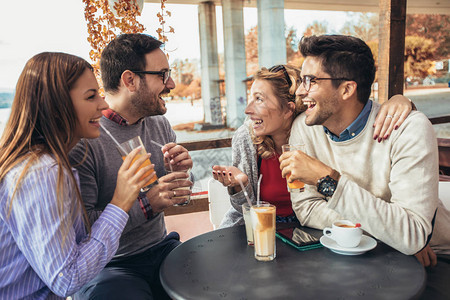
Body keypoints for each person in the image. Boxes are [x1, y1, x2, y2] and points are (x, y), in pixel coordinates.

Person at [279, 35, 450, 299]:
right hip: (352, 252)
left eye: (311, 81)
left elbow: (413, 233)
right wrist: (391, 235)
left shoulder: (407, 129)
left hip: (431, 259)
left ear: (347, 89)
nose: (300, 91)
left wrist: (329, 181)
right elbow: (308, 210)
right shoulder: (305, 128)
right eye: (302, 80)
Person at [0, 52, 153, 299]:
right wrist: (121, 202)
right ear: (55, 105)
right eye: (91, 96)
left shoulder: (51, 165)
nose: (103, 105)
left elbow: (74, 250)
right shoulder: (41, 173)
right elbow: (67, 279)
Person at [69, 33, 193, 299]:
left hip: (160, 248)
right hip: (108, 265)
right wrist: (147, 205)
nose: (171, 83)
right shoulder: (85, 139)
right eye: (162, 74)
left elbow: (180, 196)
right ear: (130, 80)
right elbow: (83, 230)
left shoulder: (159, 124)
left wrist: (179, 176)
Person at [212, 64, 414, 228]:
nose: (248, 110)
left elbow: (358, 119)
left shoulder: (318, 132)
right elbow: (244, 211)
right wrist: (240, 186)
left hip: (312, 232)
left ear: (288, 110)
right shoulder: (246, 138)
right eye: (250, 98)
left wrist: (402, 100)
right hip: (260, 232)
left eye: (259, 99)